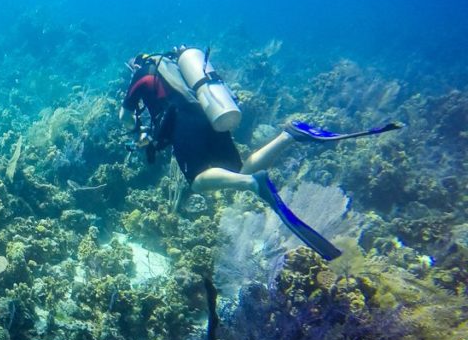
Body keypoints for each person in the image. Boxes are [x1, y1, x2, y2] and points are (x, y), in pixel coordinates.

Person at [121, 48, 401, 260]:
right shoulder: (176, 67)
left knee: (197, 180)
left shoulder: (142, 75)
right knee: (238, 170)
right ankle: (289, 135)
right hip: (211, 115)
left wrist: (138, 133)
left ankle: (254, 185)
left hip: (184, 124)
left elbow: (126, 117)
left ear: (137, 63)